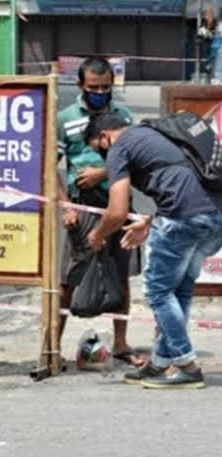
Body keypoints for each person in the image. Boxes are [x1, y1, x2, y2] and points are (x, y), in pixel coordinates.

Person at [84, 113, 222, 389]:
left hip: (184, 219)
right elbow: (183, 179)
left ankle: (186, 365)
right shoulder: (154, 134)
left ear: (104, 137)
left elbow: (117, 211)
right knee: (178, 289)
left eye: (97, 148)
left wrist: (98, 234)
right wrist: (150, 220)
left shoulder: (119, 147)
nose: (101, 155)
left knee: (158, 292)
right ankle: (160, 362)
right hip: (214, 217)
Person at [55, 57, 143, 367]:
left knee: (121, 278)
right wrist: (66, 205)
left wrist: (102, 173)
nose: (100, 92)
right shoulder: (65, 119)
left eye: (106, 87)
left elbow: (134, 159)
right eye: (94, 87)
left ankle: (120, 343)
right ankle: (52, 345)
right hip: (81, 209)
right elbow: (48, 167)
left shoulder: (123, 115)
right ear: (80, 86)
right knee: (68, 281)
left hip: (119, 207)